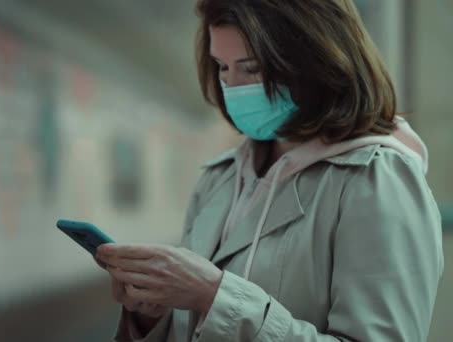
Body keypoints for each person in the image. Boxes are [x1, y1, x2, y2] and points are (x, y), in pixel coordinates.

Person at [96, 0, 444, 341]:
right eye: (222, 67)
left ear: (318, 60)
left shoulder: (376, 179)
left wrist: (214, 295)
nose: (234, 86)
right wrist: (150, 317)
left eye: (251, 69)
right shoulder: (221, 178)